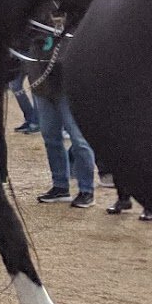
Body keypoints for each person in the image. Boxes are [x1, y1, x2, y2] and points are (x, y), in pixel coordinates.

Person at [27, 14, 98, 208]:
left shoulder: (77, 19)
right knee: (50, 137)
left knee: (79, 139)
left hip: (66, 87)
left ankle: (86, 189)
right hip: (42, 85)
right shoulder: (36, 21)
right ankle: (60, 185)